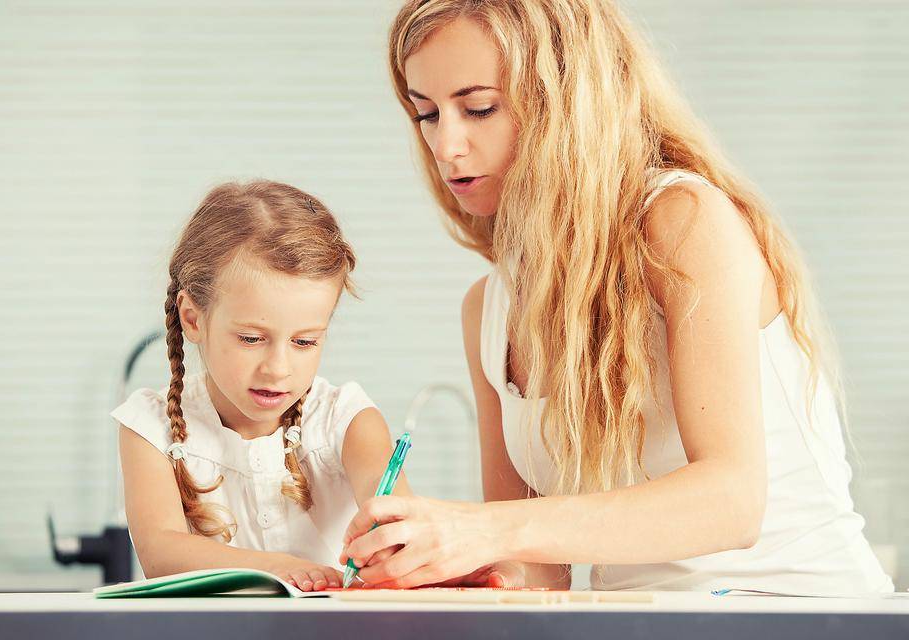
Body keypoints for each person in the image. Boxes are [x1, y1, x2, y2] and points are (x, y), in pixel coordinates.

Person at [340, 0, 893, 596]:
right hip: (643, 618)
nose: (446, 145)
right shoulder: (489, 307)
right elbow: (537, 569)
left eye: (479, 108)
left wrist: (484, 529)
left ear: (565, 100)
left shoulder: (683, 221)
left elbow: (733, 502)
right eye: (426, 114)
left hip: (795, 611)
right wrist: (456, 564)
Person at [115, 180, 410, 591]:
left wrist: (397, 543)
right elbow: (161, 552)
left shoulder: (348, 420)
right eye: (252, 339)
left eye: (304, 342)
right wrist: (275, 567)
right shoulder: (150, 426)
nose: (278, 369)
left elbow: (400, 522)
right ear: (193, 319)